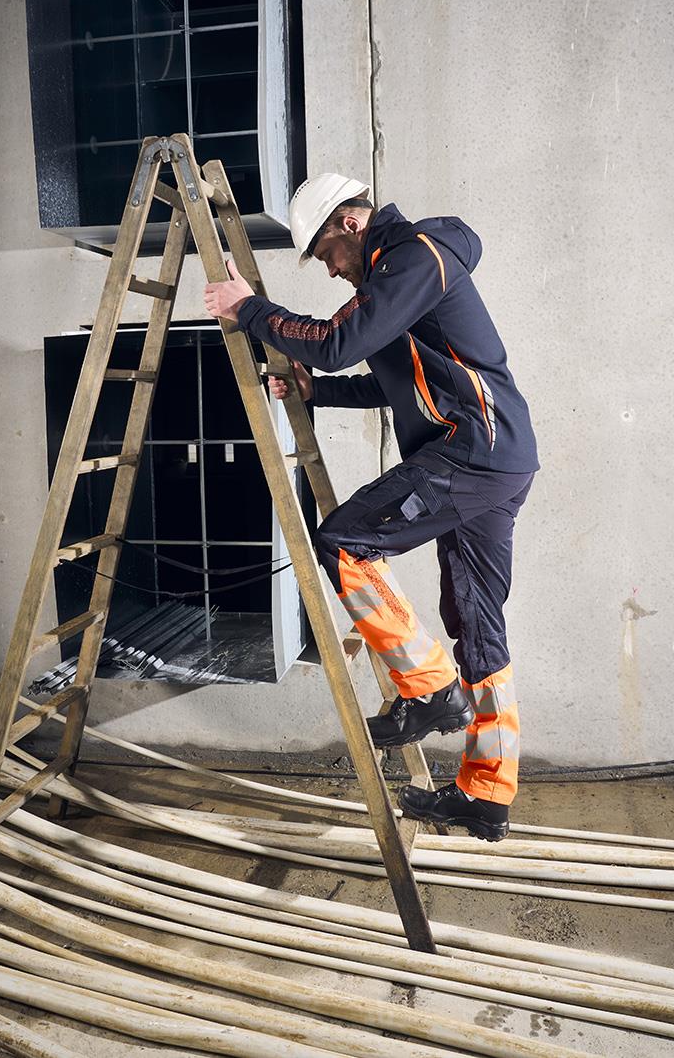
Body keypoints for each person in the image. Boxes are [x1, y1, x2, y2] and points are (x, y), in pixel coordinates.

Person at [203, 174, 538, 841]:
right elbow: (387, 381)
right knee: (477, 626)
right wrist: (314, 391)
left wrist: (249, 308)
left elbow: (334, 341)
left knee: (344, 542)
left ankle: (426, 687)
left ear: (349, 224)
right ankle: (486, 794)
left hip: (472, 449)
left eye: (325, 251)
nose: (326, 268)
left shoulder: (414, 257)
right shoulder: (391, 285)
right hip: (492, 457)